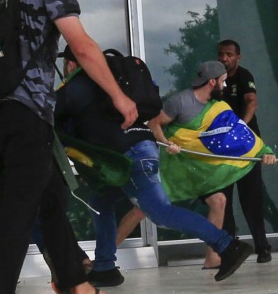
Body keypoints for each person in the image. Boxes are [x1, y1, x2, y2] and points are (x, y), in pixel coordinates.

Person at [0, 0, 137, 294]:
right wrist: (119, 95)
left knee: (50, 196)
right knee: (17, 214)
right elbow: (81, 46)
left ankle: (75, 282)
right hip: (27, 110)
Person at [56, 48, 254, 286]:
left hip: (127, 158)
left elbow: (51, 118)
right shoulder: (110, 80)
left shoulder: (76, 86)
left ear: (70, 65)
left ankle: (227, 246)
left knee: (160, 211)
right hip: (141, 148)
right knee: (101, 203)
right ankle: (105, 267)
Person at [149, 61, 274, 270]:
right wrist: (167, 142)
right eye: (223, 82)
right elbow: (154, 123)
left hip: (202, 168)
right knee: (141, 210)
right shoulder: (180, 102)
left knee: (219, 201)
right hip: (177, 166)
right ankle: (103, 260)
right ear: (212, 81)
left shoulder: (220, 106)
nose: (225, 87)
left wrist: (265, 151)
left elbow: (240, 135)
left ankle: (213, 257)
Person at [216, 39, 273, 263]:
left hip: (246, 145)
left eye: (229, 54)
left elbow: (252, 102)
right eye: (221, 54)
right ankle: (230, 248)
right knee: (224, 199)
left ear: (238, 57)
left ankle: (263, 247)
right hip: (221, 148)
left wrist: (240, 125)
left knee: (251, 198)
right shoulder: (215, 79)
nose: (224, 58)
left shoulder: (244, 76)